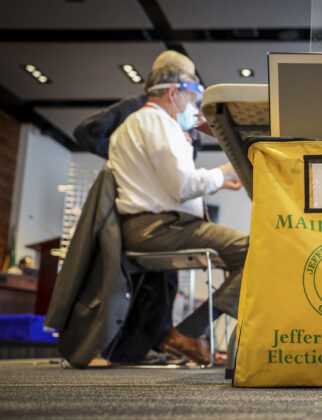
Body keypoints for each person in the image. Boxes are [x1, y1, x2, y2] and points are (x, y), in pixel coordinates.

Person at [106, 65, 249, 365]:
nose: (193, 108)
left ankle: (188, 334)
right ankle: (187, 333)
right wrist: (224, 173)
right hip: (161, 227)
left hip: (152, 225)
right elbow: (183, 186)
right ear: (174, 92)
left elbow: (167, 187)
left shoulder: (134, 125)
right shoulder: (157, 122)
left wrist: (217, 182)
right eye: (192, 99)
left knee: (250, 253)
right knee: (257, 251)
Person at [73, 50, 200, 365]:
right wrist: (129, 164)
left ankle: (148, 344)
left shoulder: (179, 114)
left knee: (163, 281)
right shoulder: (138, 109)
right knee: (148, 279)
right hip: (142, 209)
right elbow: (86, 131)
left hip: (168, 206)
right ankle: (131, 346)